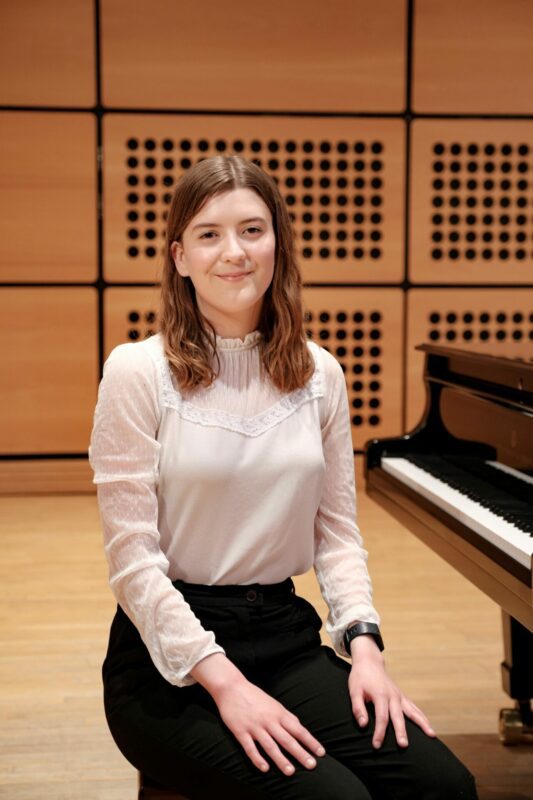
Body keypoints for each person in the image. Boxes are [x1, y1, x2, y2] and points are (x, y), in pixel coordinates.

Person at [89, 155, 477, 800]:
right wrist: (227, 686)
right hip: (170, 662)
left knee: (443, 786)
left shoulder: (319, 373)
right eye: (209, 234)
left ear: (278, 245)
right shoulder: (137, 371)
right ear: (179, 257)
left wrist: (366, 650)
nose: (234, 251)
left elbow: (337, 535)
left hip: (284, 637)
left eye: (252, 230)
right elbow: (133, 564)